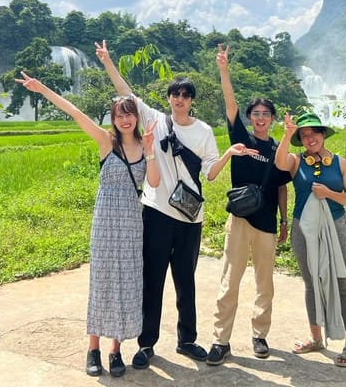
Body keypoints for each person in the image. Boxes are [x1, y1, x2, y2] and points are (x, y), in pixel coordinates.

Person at [95, 40, 257, 370]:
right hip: (155, 213)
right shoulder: (154, 119)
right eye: (175, 95)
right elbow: (126, 94)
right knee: (151, 280)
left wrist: (227, 155)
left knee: (186, 280)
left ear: (191, 101)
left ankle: (187, 340)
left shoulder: (204, 131)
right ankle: (146, 344)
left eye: (185, 95)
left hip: (189, 217)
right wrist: (108, 61)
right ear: (169, 99)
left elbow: (210, 173)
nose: (180, 99)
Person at [15, 71, 160, 379]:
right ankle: (93, 349)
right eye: (119, 116)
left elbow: (156, 182)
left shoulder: (146, 146)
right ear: (113, 119)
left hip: (132, 224)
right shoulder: (106, 142)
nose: (125, 121)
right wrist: (41, 88)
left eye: (129, 115)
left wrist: (149, 150)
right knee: (103, 283)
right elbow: (75, 112)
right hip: (105, 220)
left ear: (136, 118)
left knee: (127, 284)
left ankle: (115, 350)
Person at [206, 45, 292, 365]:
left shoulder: (277, 148)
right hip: (241, 219)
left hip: (268, 222)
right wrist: (224, 70)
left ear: (271, 119)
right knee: (230, 280)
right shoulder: (241, 137)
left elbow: (283, 188)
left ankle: (259, 334)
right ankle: (220, 339)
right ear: (250, 118)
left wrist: (284, 222)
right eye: (255, 114)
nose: (259, 119)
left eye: (264, 115)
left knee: (264, 283)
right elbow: (230, 103)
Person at [274, 110, 346, 368]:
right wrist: (287, 134)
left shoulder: (341, 163)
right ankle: (316, 338)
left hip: (336, 226)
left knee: (344, 283)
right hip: (304, 228)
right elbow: (279, 163)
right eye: (304, 134)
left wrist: (329, 193)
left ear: (323, 135)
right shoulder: (295, 161)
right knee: (311, 283)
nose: (310, 138)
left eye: (314, 133)